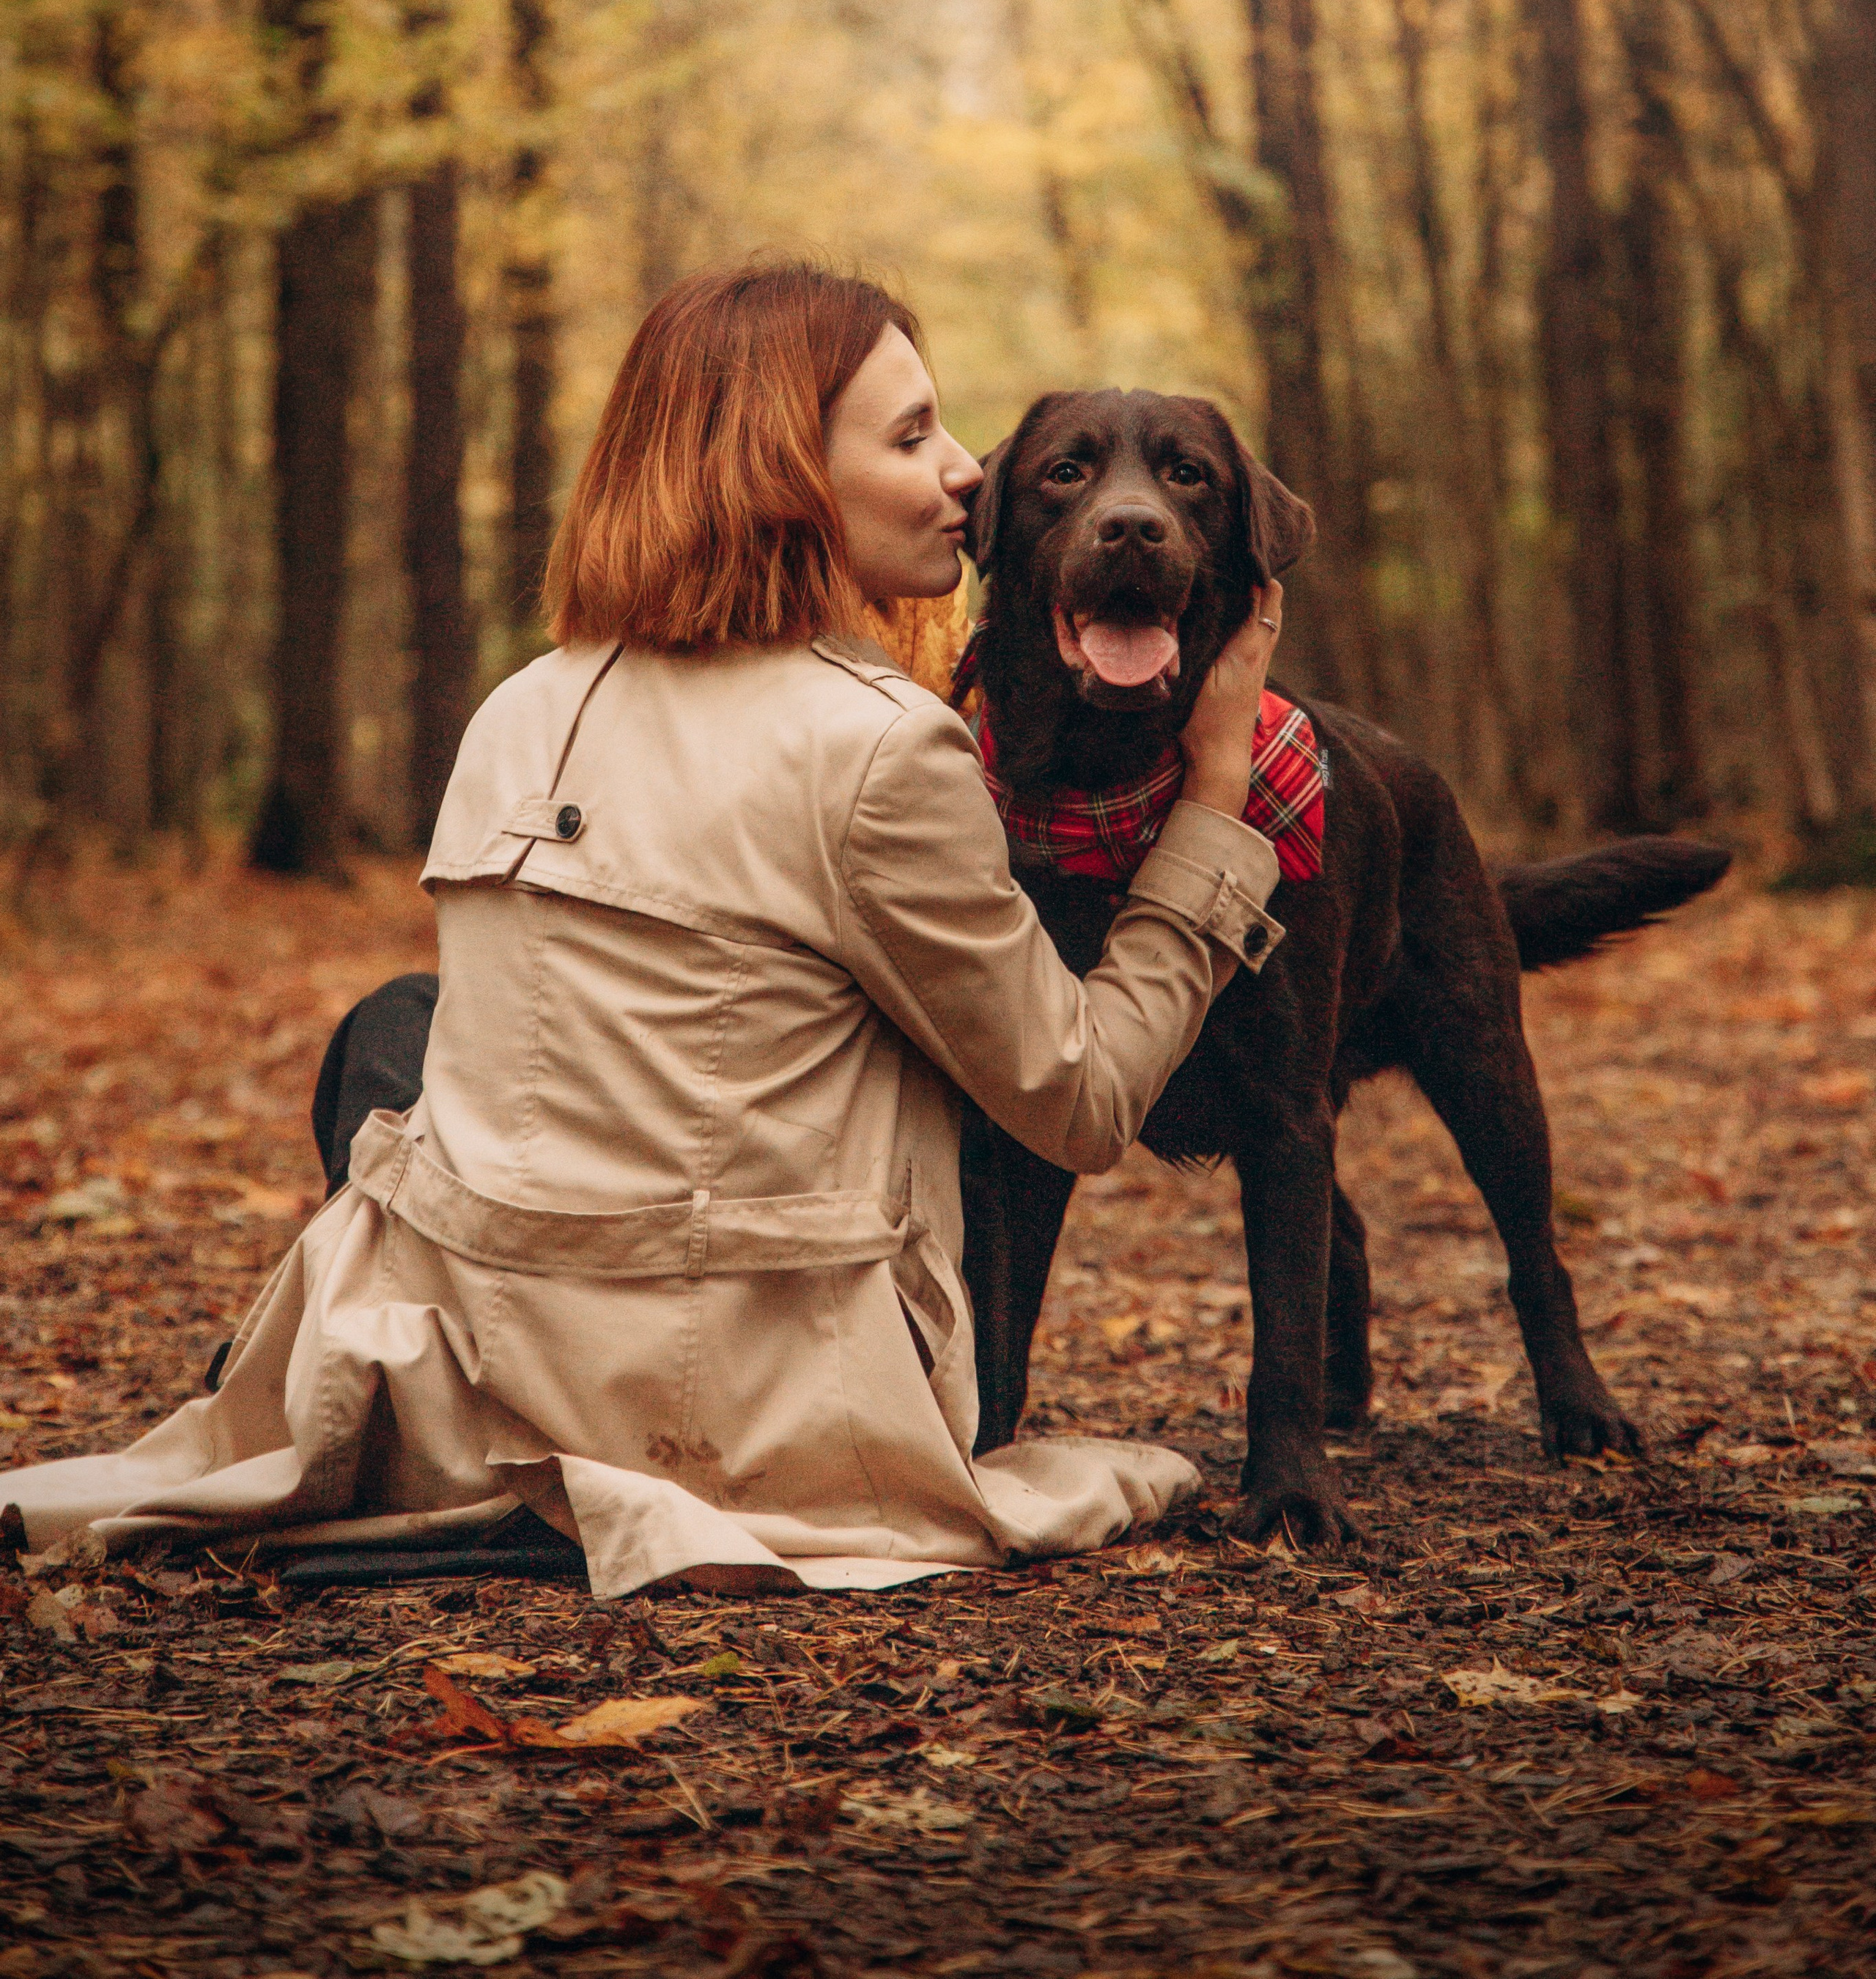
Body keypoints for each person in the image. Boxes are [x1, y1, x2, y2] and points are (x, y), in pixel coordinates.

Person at [1, 265, 1287, 1596]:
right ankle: (635, 1461)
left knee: (399, 1024)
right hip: (763, 1412)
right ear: (780, 471)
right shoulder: (885, 750)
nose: (966, 474)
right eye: (912, 437)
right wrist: (1215, 792)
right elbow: (1081, 1103)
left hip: (479, 1366)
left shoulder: (516, 707)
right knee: (959, 1044)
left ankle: (477, 1448)